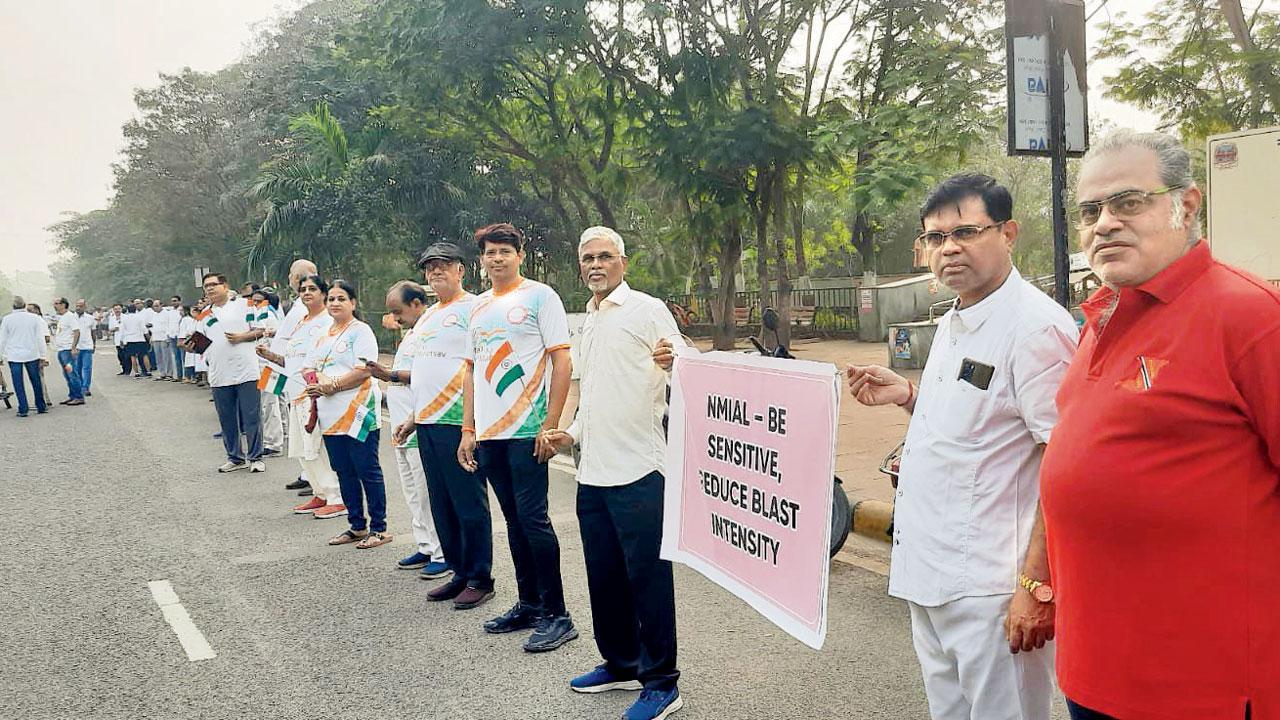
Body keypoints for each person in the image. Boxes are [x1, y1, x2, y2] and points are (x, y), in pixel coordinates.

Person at [1040, 130, 1280, 720]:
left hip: (1203, 690)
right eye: (1092, 209)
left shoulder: (1247, 317)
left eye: (1128, 202)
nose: (1105, 224)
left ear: (1187, 205)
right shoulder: (1102, 317)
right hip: (1093, 677)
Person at [846, 174, 1077, 720]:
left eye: (966, 231)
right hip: (929, 570)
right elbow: (980, 422)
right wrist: (907, 395)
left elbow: (1063, 460)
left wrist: (1036, 585)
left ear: (1008, 233)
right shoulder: (956, 316)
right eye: (935, 236)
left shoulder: (1036, 329)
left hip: (991, 587)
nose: (949, 248)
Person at [543, 227, 686, 720]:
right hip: (593, 474)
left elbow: (687, 364)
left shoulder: (646, 309)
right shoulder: (590, 319)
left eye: (605, 256)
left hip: (642, 470)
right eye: (588, 258)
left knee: (647, 580)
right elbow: (597, 390)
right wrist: (573, 433)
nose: (596, 265)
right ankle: (621, 662)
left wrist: (677, 360)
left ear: (623, 261)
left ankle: (662, 682)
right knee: (604, 577)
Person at [458, 222, 577, 652]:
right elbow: (470, 371)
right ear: (482, 259)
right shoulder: (477, 308)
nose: (496, 258)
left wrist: (551, 423)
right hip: (489, 434)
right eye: (490, 252)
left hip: (527, 431)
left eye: (504, 251)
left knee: (533, 520)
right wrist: (468, 429)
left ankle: (558, 614)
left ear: (519, 255)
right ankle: (529, 604)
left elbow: (561, 363)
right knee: (512, 522)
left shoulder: (540, 296)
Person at [394, 242, 496, 608]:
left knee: (468, 502)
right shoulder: (429, 314)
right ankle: (459, 571)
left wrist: (472, 424)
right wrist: (413, 418)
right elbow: (425, 371)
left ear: (461, 270)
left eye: (444, 265)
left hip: (458, 421)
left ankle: (481, 577)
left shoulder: (476, 307)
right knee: (442, 503)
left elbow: (478, 365)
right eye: (430, 267)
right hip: (428, 422)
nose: (436, 272)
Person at [367, 280, 449, 577]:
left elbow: (428, 376)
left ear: (416, 304)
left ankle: (442, 552)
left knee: (427, 492)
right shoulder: (412, 333)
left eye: (397, 310)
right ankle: (426, 545)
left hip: (418, 423)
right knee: (412, 491)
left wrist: (389, 374)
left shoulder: (430, 333)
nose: (394, 317)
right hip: (401, 425)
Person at [303, 280, 392, 548]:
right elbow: (308, 366)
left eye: (341, 298)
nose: (335, 303)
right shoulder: (321, 335)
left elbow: (365, 369)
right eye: (331, 299)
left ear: (353, 303)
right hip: (331, 414)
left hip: (358, 410)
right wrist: (314, 381)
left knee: (367, 469)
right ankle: (356, 525)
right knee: (343, 470)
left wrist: (333, 385)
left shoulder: (361, 332)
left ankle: (379, 528)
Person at [256, 275, 346, 519]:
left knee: (318, 448)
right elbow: (293, 360)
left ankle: (337, 496)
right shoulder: (301, 322)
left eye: (313, 289)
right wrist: (271, 357)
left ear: (323, 294)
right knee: (301, 448)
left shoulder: (328, 321)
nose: (306, 293)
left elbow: (327, 359)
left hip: (314, 393)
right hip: (294, 391)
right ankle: (320, 492)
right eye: (303, 289)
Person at [201, 272, 266, 473]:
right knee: (227, 418)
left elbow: (260, 330)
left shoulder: (243, 305)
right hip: (219, 373)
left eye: (213, 284)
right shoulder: (204, 314)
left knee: (251, 416)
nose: (210, 289)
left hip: (246, 370)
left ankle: (255, 457)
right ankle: (234, 457)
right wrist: (189, 346)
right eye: (206, 286)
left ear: (225, 285)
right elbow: (200, 342)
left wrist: (241, 337)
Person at [273, 259, 321, 495]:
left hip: (305, 382)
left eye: (294, 275)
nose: (292, 280)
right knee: (302, 438)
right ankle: (309, 477)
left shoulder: (311, 310)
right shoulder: (298, 309)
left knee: (311, 436)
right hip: (291, 377)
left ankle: (320, 485)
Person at [0, 296, 50, 417]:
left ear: (13, 306)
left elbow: (3, 339)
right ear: (24, 305)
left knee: (18, 383)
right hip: (32, 353)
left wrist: (0, 356)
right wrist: (43, 355)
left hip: (14, 355)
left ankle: (23, 408)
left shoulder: (7, 319)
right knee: (36, 380)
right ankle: (41, 406)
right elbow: (40, 338)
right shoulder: (34, 318)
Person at [249, 288, 285, 456]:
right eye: (253, 301)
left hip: (270, 366)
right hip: (260, 366)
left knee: (270, 404)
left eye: (259, 301)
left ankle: (274, 443)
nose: (255, 304)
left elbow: (278, 341)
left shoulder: (269, 317)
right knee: (270, 404)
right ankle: (276, 436)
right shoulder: (252, 318)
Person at [51, 298, 85, 407]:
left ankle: (79, 397)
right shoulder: (62, 318)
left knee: (72, 372)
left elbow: (77, 331)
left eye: (57, 304)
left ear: (63, 304)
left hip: (67, 349)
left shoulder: (70, 316)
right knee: (66, 374)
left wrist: (73, 347)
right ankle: (72, 395)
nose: (54, 306)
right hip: (61, 349)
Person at [120, 304, 151, 377]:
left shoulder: (125, 319)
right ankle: (148, 371)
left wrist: (121, 340)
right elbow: (144, 329)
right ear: (135, 310)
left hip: (130, 339)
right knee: (144, 355)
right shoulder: (140, 317)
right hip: (140, 339)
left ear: (128, 310)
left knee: (133, 356)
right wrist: (148, 338)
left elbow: (122, 330)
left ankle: (136, 372)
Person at [73, 299, 96, 396]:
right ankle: (80, 385)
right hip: (76, 347)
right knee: (77, 368)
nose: (78, 308)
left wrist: (94, 344)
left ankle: (85, 387)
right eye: (77, 306)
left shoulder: (91, 318)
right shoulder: (71, 318)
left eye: (81, 306)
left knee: (87, 368)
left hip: (87, 346)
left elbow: (93, 332)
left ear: (85, 307)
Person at [108, 304, 130, 376]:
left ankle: (127, 370)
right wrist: (114, 329)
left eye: (119, 309)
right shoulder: (112, 318)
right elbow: (110, 329)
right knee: (120, 356)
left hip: (125, 339)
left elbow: (128, 328)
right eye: (115, 309)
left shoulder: (126, 317)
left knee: (126, 356)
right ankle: (123, 369)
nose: (117, 310)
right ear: (113, 310)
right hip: (117, 339)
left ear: (121, 309)